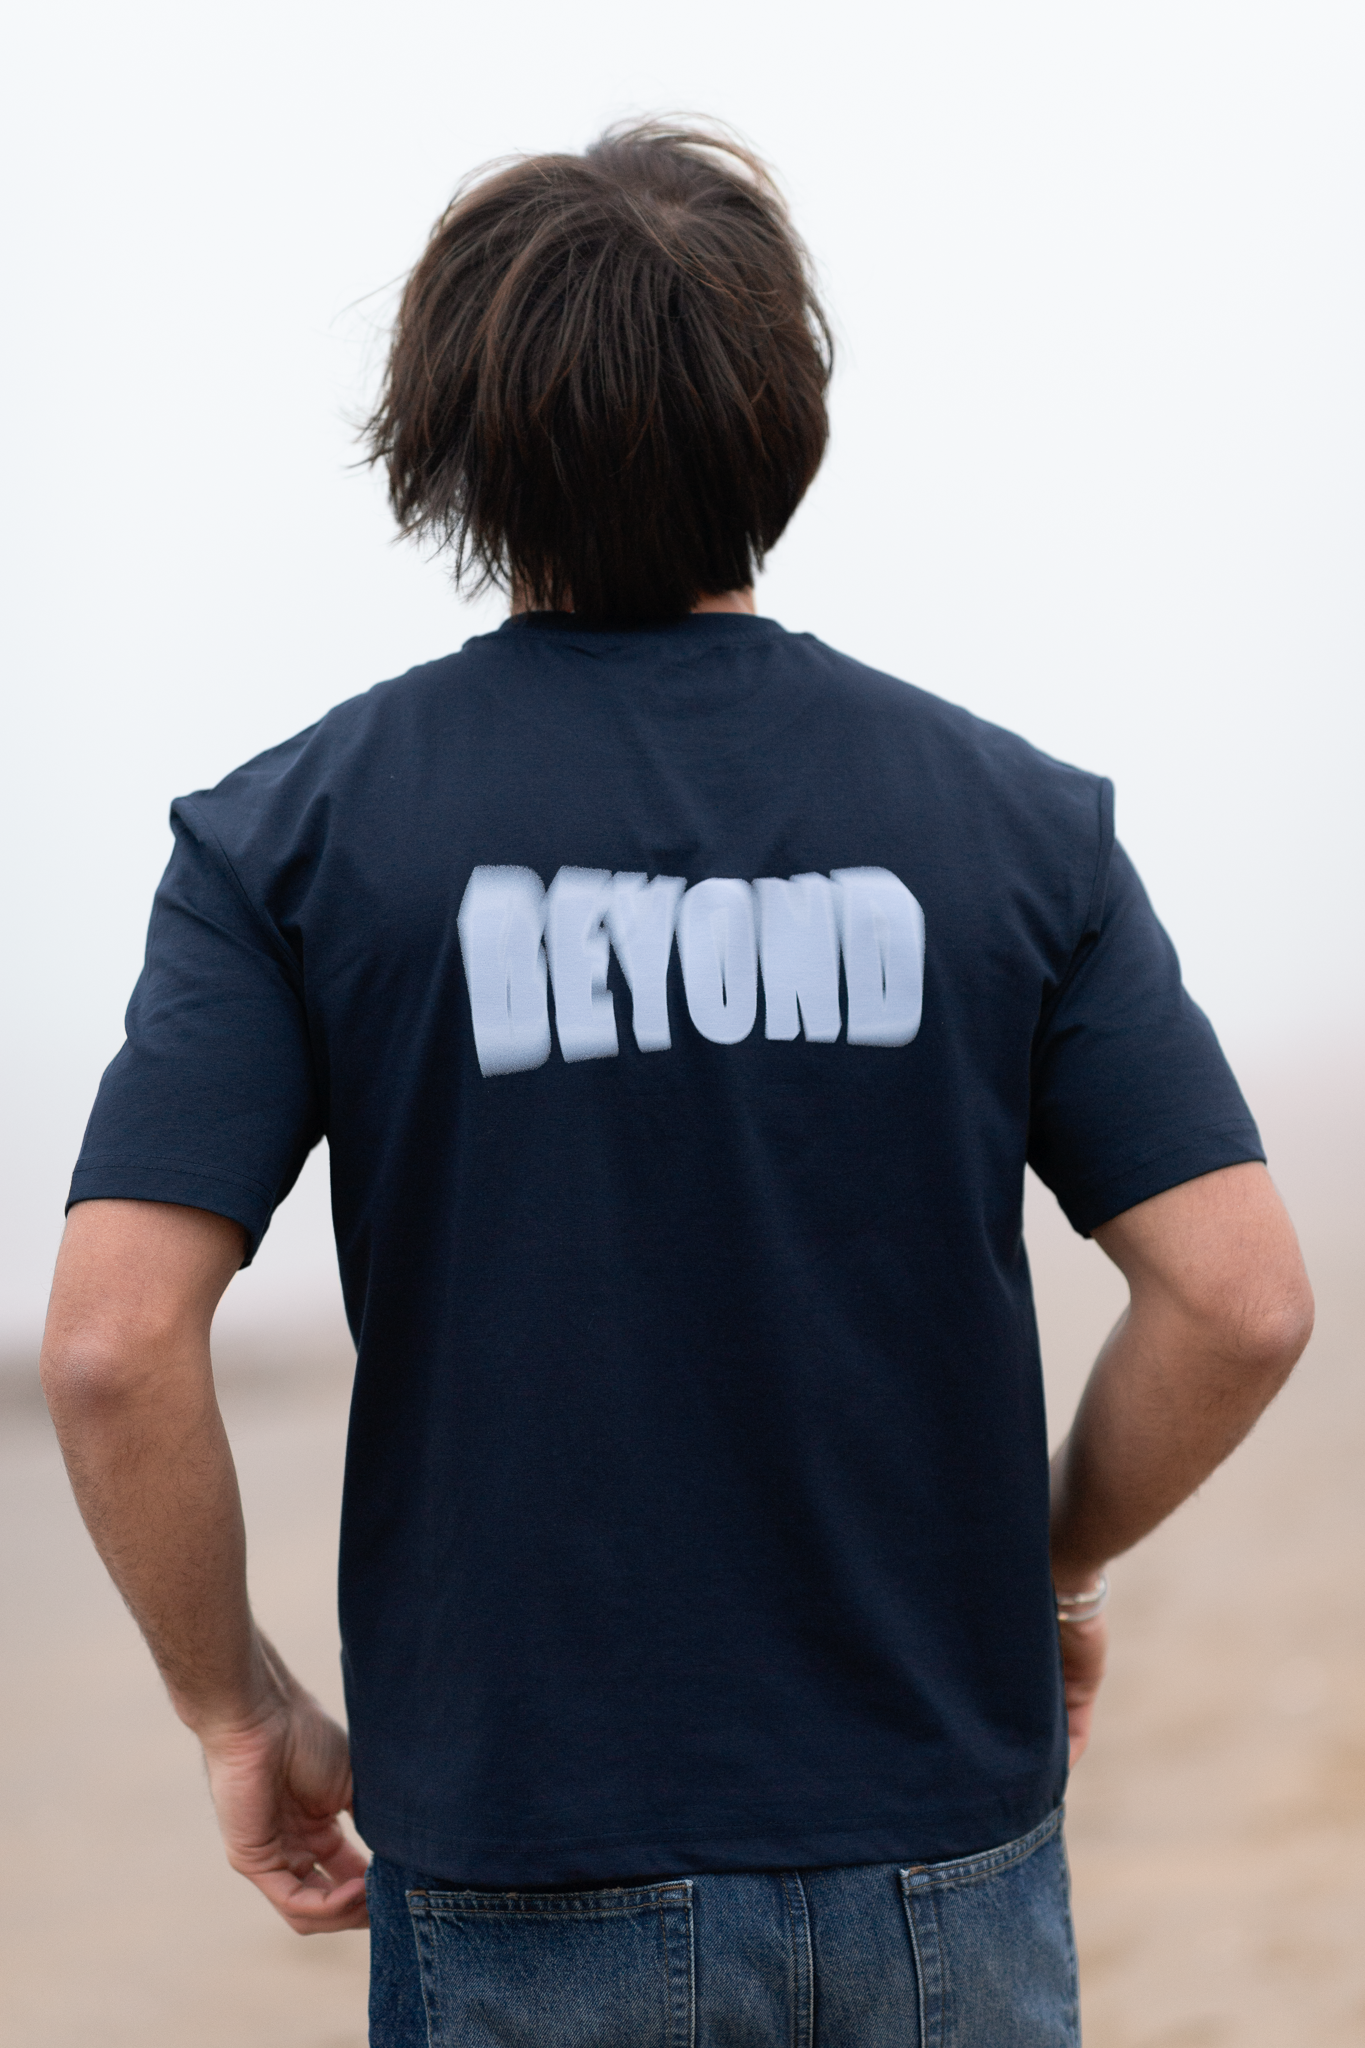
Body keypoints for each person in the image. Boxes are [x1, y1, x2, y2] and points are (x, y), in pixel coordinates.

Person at [41, 121, 1313, 2047]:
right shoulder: (1013, 827)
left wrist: (239, 1709)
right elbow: (1241, 1297)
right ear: (785, 420)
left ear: (447, 448)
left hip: (524, 1869)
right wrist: (1044, 1569)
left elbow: (111, 1343)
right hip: (942, 1867)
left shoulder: (294, 839)